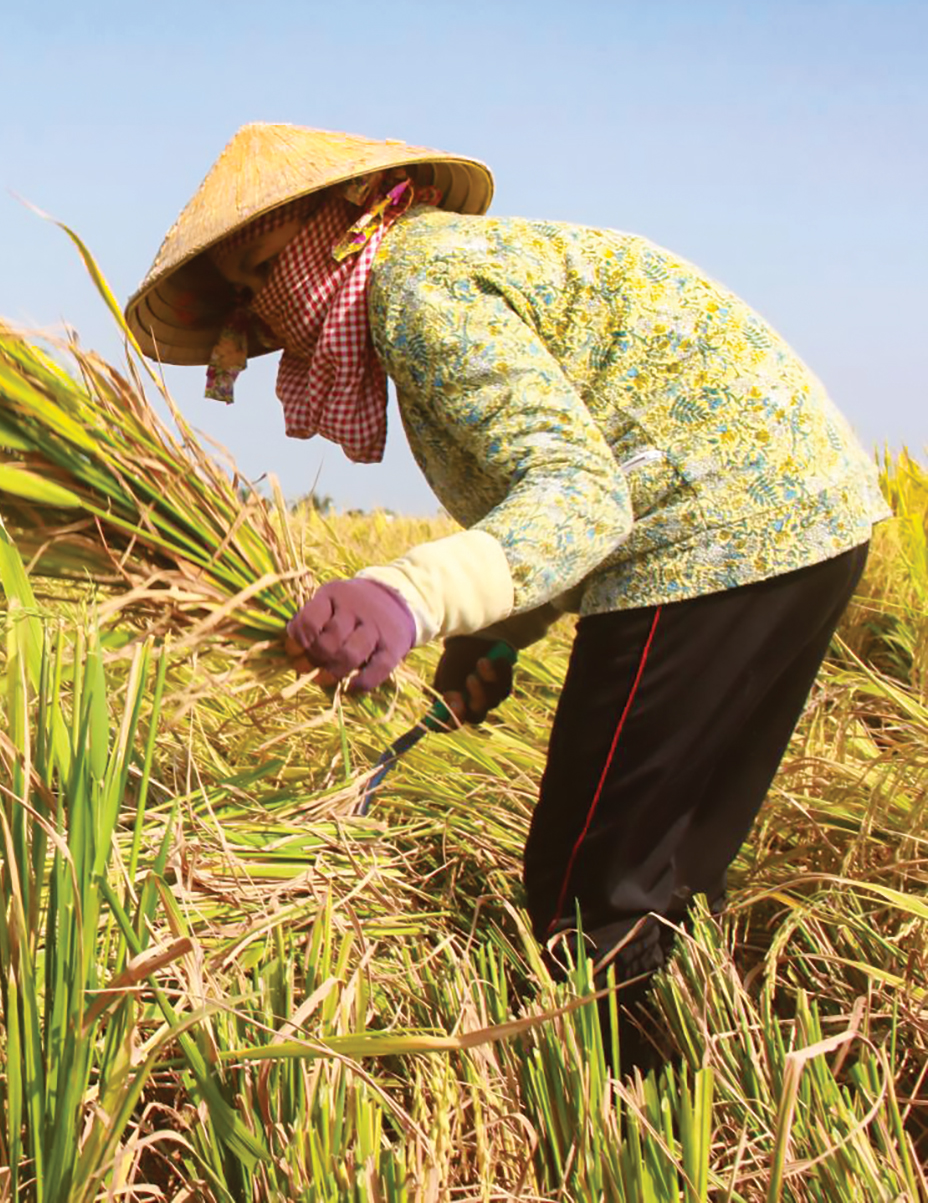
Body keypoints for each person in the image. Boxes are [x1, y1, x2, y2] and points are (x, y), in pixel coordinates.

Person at [125, 124, 889, 1064]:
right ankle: (720, 1090)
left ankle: (635, 1125)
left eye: (264, 269)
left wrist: (403, 596)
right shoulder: (438, 275)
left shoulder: (419, 287)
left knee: (589, 887)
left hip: (710, 537)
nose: (262, 311)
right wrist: (494, 637)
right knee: (665, 863)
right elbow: (557, 487)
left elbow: (582, 493)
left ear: (352, 219)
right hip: (800, 523)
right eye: (243, 293)